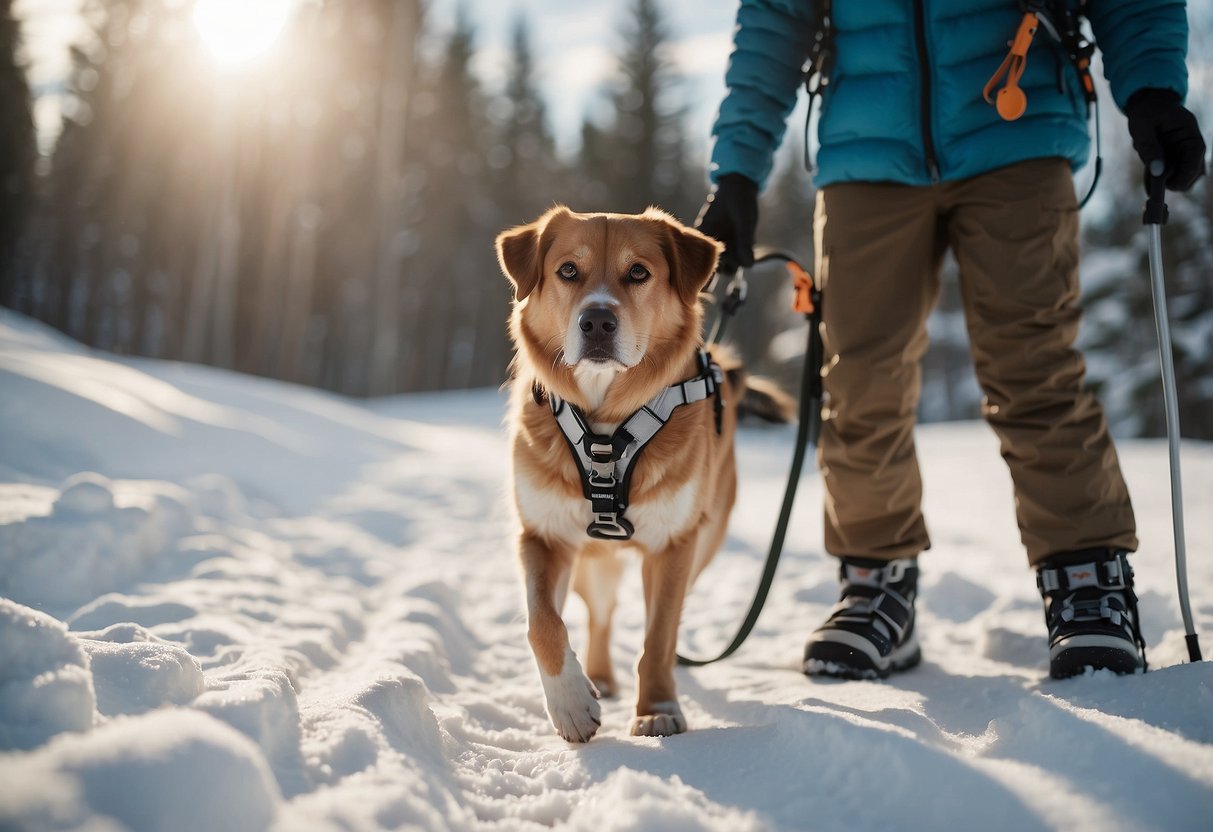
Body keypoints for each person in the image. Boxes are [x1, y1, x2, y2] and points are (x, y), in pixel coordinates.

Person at [696, 0, 1206, 680]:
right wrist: (736, 169)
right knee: (858, 382)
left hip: (1016, 127)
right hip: (866, 152)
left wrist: (1148, 87)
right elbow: (774, 19)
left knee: (1036, 367)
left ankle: (1088, 583)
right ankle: (876, 584)